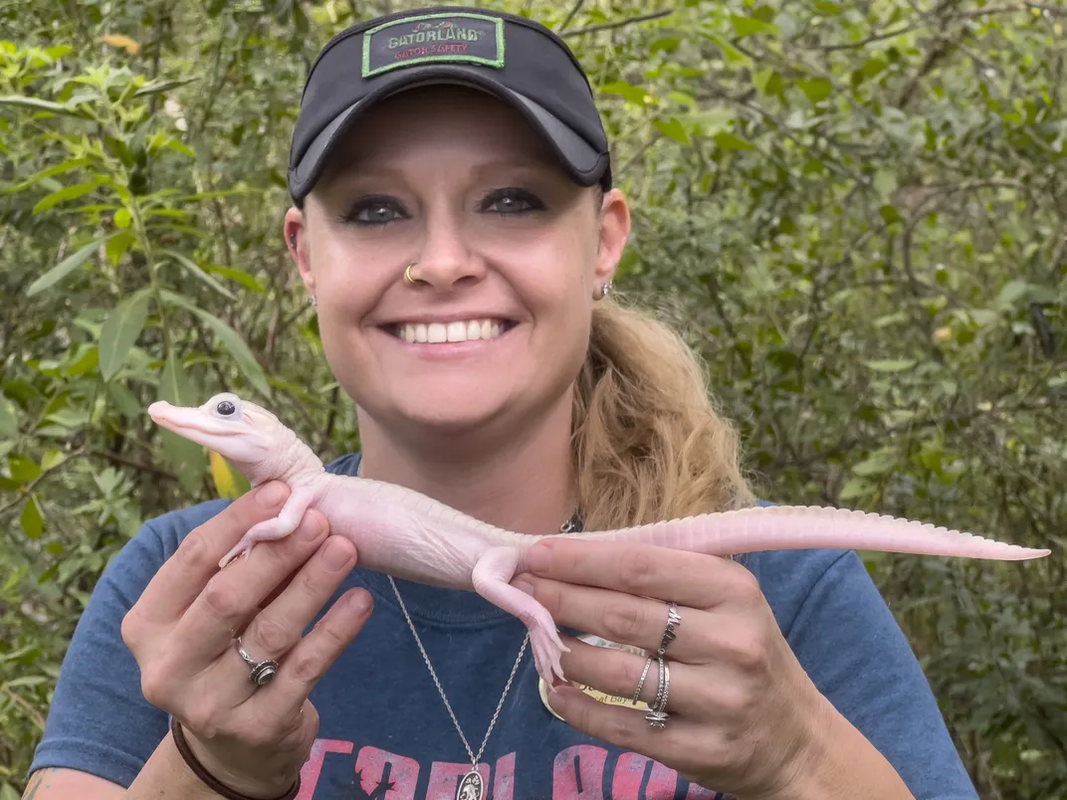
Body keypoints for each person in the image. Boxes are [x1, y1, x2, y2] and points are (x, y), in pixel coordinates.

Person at [24, 6, 981, 800]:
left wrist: (798, 756)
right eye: (374, 210)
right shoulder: (179, 588)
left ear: (603, 242)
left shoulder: (787, 590)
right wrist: (207, 765)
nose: (441, 263)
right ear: (303, 257)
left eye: (513, 201)